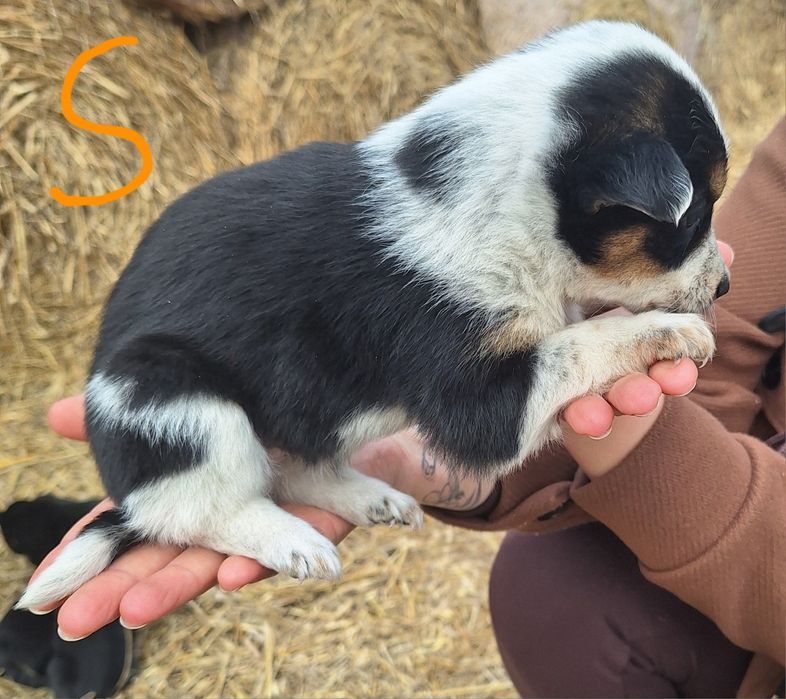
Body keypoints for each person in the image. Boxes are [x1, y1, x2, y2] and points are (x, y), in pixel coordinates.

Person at [33, 120, 784, 696]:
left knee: (553, 589)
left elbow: (492, 399)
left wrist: (636, 432)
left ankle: (278, 483)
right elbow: (721, 351)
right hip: (182, 406)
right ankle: (236, 505)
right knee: (545, 585)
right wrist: (417, 449)